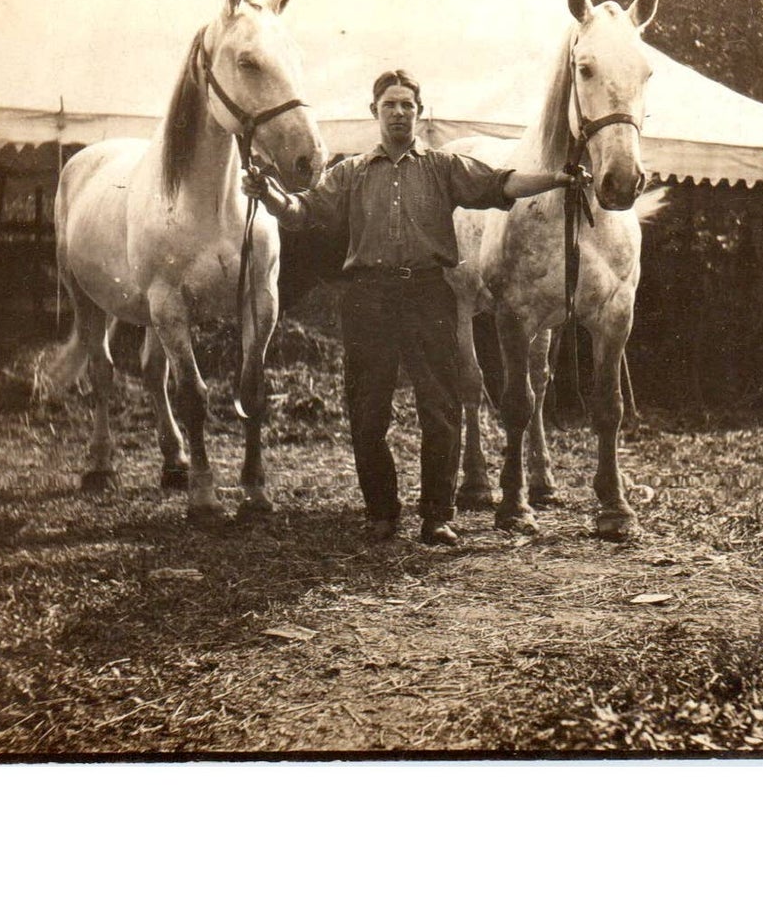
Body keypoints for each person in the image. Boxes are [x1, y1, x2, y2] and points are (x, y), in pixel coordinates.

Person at [243, 68, 588, 546]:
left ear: (419, 113)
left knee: (441, 409)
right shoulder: (351, 173)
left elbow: (501, 185)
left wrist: (557, 178)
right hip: (367, 298)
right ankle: (381, 513)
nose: (400, 112)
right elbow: (304, 213)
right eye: (390, 105)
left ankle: (437, 516)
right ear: (375, 112)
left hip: (429, 294)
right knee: (367, 410)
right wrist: (272, 197)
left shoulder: (444, 167)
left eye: (408, 105)